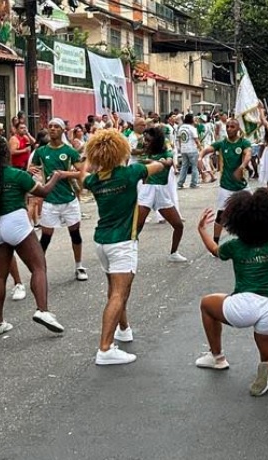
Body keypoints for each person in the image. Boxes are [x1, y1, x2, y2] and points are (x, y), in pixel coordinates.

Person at [81, 129, 164, 365]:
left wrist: (91, 161)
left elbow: (83, 176)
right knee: (119, 292)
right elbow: (157, 167)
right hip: (123, 242)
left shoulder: (94, 181)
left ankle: (123, 329)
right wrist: (163, 161)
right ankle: (105, 349)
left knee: (116, 289)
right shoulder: (130, 173)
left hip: (102, 241)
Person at [194, 188, 268, 397]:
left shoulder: (234, 246)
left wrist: (202, 231)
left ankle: (217, 357)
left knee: (207, 304)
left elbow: (215, 251)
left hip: (241, 305)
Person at [0, 136, 65, 335]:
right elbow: (44, 192)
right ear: (6, 154)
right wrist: (56, 177)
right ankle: (43, 310)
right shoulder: (17, 175)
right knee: (38, 267)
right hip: (15, 220)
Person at [29, 118, 88, 281]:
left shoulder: (69, 151)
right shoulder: (41, 152)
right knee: (46, 237)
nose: (53, 129)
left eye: (56, 127)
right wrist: (31, 170)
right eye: (50, 127)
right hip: (50, 201)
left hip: (69, 199)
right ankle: (39, 269)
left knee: (75, 234)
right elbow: (32, 168)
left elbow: (81, 172)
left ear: (63, 131)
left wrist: (64, 174)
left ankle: (79, 266)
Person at [136, 126, 188, 263]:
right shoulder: (144, 154)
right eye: (144, 140)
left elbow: (169, 162)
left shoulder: (166, 153)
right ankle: (128, 252)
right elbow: (139, 162)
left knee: (178, 225)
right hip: (147, 191)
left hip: (162, 193)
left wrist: (162, 162)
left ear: (156, 141)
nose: (145, 143)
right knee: (137, 225)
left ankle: (174, 253)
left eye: (148, 140)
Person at [197, 118, 251, 244]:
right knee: (221, 215)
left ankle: (251, 239)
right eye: (227, 126)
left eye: (232, 127)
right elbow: (206, 150)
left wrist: (242, 167)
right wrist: (200, 158)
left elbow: (248, 154)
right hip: (226, 186)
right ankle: (215, 243)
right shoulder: (221, 144)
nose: (229, 129)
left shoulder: (244, 143)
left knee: (251, 212)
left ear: (238, 129)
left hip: (242, 186)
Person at [176, 114, 201, 188]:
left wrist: (180, 148)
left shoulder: (181, 127)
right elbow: (196, 139)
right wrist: (201, 148)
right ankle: (193, 183)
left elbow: (179, 139)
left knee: (184, 166)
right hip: (192, 149)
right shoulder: (192, 128)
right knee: (194, 166)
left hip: (183, 149)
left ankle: (180, 183)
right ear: (191, 119)